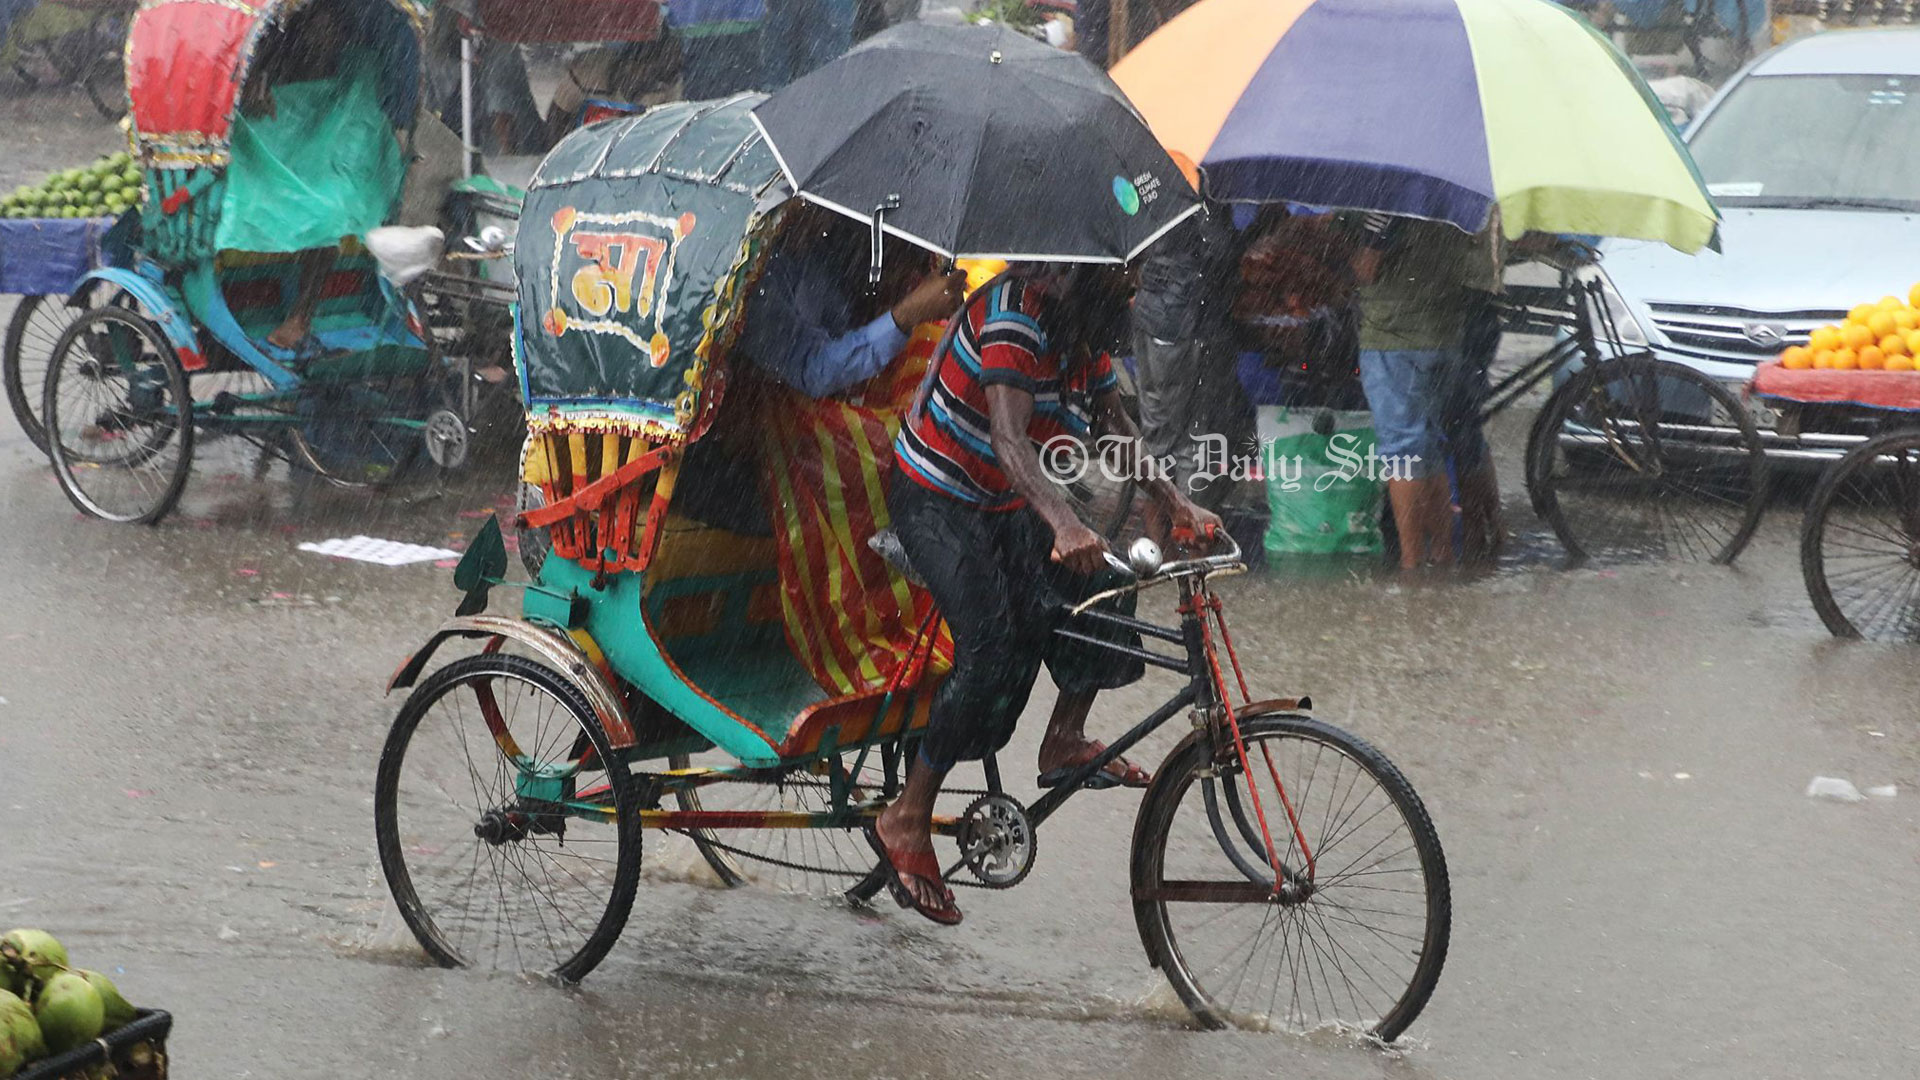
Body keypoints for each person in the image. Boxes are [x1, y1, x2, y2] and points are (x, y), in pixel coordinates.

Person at [877, 265, 1222, 925]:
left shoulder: (1077, 332)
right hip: (936, 496)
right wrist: (1064, 524)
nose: (1131, 295)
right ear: (1080, 277)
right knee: (987, 648)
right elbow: (1009, 440)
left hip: (1002, 500)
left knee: (1106, 584)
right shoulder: (1015, 312)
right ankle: (907, 816)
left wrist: (1176, 501)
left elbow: (1114, 426)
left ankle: (1063, 738)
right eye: (1122, 283)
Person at [1346, 214, 1504, 570]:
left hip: (1395, 337)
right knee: (1430, 443)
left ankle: (1412, 562)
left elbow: (1366, 269)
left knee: (1403, 450)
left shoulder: (1391, 202)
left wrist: (1358, 250)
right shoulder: (1452, 197)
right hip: (1445, 334)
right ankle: (1444, 553)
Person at [736, 205, 966, 398]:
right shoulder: (757, 276)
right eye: (817, 211)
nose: (826, 222)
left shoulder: (823, 243)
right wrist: (905, 315)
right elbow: (812, 371)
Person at [1130, 196, 1253, 513]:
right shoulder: (1196, 188)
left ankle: (1158, 537)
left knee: (1157, 437)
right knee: (1194, 441)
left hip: (1150, 316)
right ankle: (1190, 534)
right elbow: (1219, 248)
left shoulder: (1151, 178)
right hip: (1186, 321)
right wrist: (1252, 233)